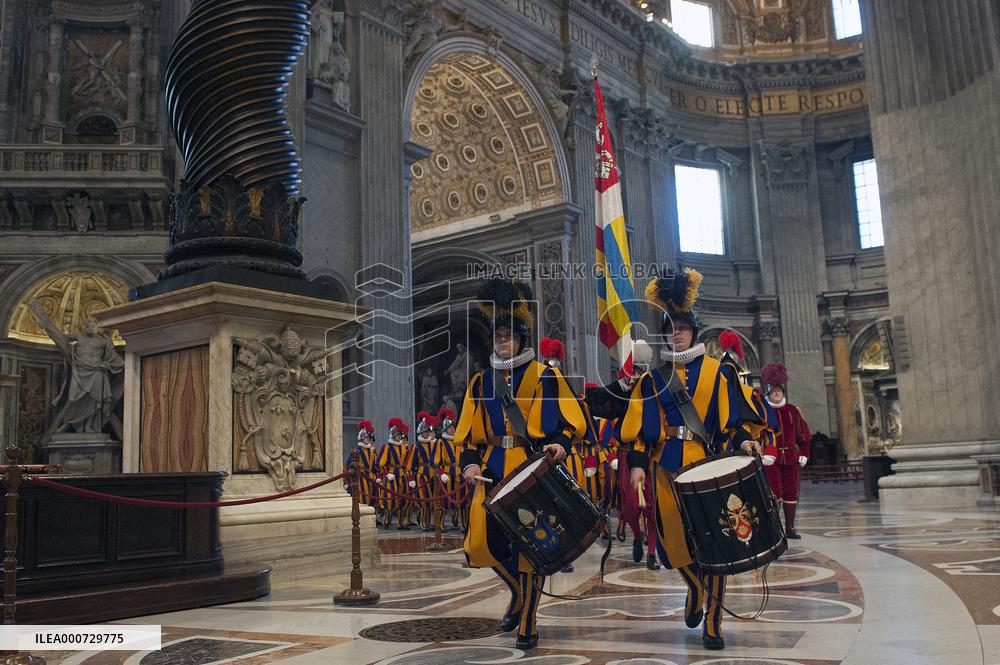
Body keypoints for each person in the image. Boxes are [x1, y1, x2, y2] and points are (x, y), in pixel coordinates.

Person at [619, 268, 764, 651]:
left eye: (682, 327)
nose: (675, 333)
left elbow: (734, 420)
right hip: (665, 466)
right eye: (669, 327)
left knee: (714, 542)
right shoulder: (652, 379)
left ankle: (713, 620)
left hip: (707, 465)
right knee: (672, 544)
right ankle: (696, 587)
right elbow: (641, 426)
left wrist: (746, 440)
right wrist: (636, 464)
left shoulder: (719, 373)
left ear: (693, 330)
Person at [455, 278, 588, 650]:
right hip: (493, 468)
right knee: (481, 543)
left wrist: (560, 444)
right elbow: (467, 436)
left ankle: (528, 618)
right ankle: (516, 591)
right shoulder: (481, 382)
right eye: (497, 336)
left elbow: (570, 424)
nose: (502, 341)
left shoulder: (545, 377)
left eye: (509, 335)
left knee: (531, 545)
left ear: (522, 338)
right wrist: (467, 464)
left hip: (533, 470)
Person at [761, 362, 811, 539]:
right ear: (768, 393)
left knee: (791, 492)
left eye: (779, 391)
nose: (777, 394)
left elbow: (804, 436)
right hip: (770, 460)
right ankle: (774, 529)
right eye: (774, 391)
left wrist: (804, 453)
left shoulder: (793, 411)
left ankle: (790, 527)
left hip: (791, 458)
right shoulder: (763, 411)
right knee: (774, 493)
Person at [376, 418, 412, 529]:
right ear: (392, 435)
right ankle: (387, 520)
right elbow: (379, 463)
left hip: (402, 475)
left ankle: (400, 523)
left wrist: (409, 477)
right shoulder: (387, 447)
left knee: (402, 500)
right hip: (391, 475)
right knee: (390, 500)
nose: (399, 437)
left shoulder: (404, 447)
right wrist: (386, 473)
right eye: (397, 435)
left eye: (400, 435)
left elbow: (407, 463)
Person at [410, 411, 439, 531]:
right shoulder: (416, 446)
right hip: (422, 475)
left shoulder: (434, 445)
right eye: (426, 431)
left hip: (433, 474)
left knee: (432, 501)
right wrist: (411, 479)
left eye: (429, 431)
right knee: (424, 501)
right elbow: (410, 464)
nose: (428, 434)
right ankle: (423, 522)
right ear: (421, 432)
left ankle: (429, 522)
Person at [354, 420, 380, 513]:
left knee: (374, 498)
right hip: (362, 477)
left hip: (371, 476)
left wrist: (378, 475)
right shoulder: (357, 451)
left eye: (369, 437)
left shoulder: (372, 451)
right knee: (364, 498)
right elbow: (351, 465)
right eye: (366, 437)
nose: (368, 439)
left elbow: (376, 464)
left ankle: (373, 517)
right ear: (361, 438)